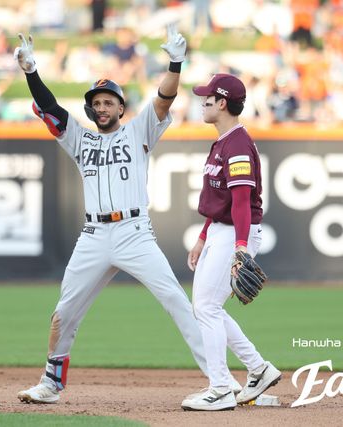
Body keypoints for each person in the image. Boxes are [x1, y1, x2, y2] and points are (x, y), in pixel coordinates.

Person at [13, 24, 240, 405]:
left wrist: (175, 63)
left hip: (135, 232)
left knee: (177, 301)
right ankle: (51, 383)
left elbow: (164, 99)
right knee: (63, 313)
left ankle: (221, 380)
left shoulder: (138, 132)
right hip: (93, 236)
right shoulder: (79, 138)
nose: (102, 107)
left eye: (109, 102)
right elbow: (51, 108)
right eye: (96, 103)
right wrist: (31, 72)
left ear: (121, 107)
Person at [180, 74, 281, 411]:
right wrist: (203, 237)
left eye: (207, 98)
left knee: (206, 307)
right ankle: (259, 369)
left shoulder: (237, 144)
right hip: (220, 230)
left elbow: (240, 201)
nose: (202, 102)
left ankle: (221, 388)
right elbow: (221, 201)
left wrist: (240, 246)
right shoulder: (224, 140)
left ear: (222, 103)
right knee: (206, 307)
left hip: (236, 232)